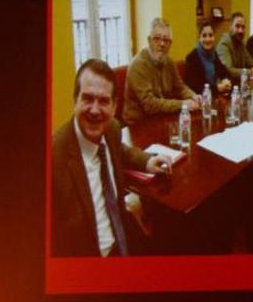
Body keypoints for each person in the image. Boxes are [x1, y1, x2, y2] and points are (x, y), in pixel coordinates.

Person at [52, 59, 172, 257]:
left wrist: (147, 161)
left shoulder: (112, 129)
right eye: (87, 99)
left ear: (115, 106)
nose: (95, 110)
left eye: (104, 101)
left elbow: (122, 151)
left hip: (123, 240)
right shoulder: (54, 157)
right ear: (75, 100)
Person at [123, 18, 198, 125]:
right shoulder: (138, 65)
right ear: (149, 40)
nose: (162, 44)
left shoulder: (169, 61)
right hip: (138, 124)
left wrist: (194, 96)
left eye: (166, 40)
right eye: (157, 39)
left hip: (161, 119)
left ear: (170, 44)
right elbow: (150, 105)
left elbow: (180, 88)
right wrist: (183, 104)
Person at [184, 21, 233, 96]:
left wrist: (226, 81)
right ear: (199, 38)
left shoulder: (213, 53)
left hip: (212, 96)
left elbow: (223, 71)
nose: (208, 39)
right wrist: (218, 88)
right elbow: (197, 87)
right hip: (198, 98)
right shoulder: (192, 58)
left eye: (210, 35)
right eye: (204, 35)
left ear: (214, 37)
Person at [215, 12, 253, 79]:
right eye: (237, 26)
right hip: (227, 86)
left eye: (243, 27)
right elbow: (228, 71)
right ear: (230, 27)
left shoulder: (240, 42)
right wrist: (251, 72)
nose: (240, 30)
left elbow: (250, 60)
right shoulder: (224, 44)